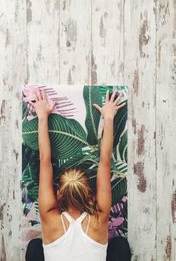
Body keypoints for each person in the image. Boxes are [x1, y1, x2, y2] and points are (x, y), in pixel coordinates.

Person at [26, 88, 128, 261]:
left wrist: (42, 117)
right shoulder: (98, 218)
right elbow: (105, 163)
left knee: (35, 246)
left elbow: (45, 160)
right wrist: (109, 118)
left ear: (58, 195)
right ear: (90, 194)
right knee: (120, 245)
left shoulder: (51, 217)